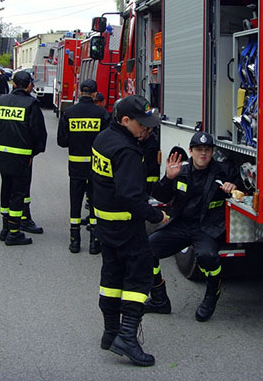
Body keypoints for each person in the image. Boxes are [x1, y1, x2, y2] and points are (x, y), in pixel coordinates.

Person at [92, 94, 168, 367]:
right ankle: (126, 337)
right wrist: (156, 215)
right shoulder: (127, 150)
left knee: (111, 277)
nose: (147, 129)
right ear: (125, 121)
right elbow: (130, 196)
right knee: (139, 278)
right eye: (142, 125)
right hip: (126, 225)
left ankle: (110, 332)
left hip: (105, 223)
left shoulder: (103, 139)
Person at [144, 131, 243, 322]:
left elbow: (243, 185)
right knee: (147, 250)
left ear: (213, 152)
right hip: (181, 224)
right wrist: (168, 178)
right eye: (199, 149)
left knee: (208, 258)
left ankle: (212, 294)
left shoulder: (223, 171)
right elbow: (161, 196)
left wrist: (234, 186)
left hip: (207, 228)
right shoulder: (181, 171)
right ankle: (159, 299)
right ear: (191, 151)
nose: (203, 154)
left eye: (207, 150)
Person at [0, 70, 47, 246]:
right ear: (28, 85)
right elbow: (38, 133)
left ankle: (5, 228)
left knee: (5, 190)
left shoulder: (1, 101)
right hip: (22, 157)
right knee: (18, 193)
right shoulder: (31, 104)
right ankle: (14, 233)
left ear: (14, 84)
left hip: (3, 154)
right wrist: (33, 153)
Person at [57, 79, 110, 254]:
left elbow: (62, 141)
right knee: (95, 202)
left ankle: (74, 241)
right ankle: (95, 243)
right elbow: (108, 143)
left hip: (76, 167)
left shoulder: (69, 112)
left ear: (80, 92)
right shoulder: (102, 114)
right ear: (95, 94)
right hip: (96, 167)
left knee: (75, 202)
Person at [140, 131, 160, 196]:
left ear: (149, 130)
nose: (139, 134)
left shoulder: (152, 147)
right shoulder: (142, 143)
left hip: (150, 181)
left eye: (142, 131)